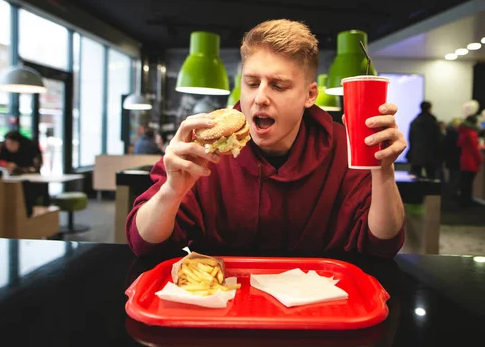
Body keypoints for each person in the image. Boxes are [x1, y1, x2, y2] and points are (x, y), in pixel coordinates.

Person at [126, 19, 407, 258]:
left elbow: (381, 247)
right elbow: (144, 245)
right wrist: (171, 192)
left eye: (278, 85)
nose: (260, 98)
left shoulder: (344, 145)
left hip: (321, 311)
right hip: (221, 306)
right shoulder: (202, 143)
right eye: (251, 83)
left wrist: (383, 170)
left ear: (310, 95)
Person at [407, 101, 442, 179]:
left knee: (415, 179)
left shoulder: (415, 122)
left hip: (417, 153)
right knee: (431, 179)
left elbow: (411, 138)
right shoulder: (433, 122)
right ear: (430, 108)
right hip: (431, 153)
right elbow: (438, 139)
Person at [458, 115, 483, 207]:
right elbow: (474, 149)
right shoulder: (472, 133)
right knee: (468, 183)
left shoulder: (462, 132)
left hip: (464, 159)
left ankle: (463, 201)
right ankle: (467, 202)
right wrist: (479, 160)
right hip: (471, 160)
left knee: (465, 182)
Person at [443, 119, 461, 199]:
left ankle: (450, 193)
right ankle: (454, 193)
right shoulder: (457, 135)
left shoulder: (447, 134)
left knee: (452, 176)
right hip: (456, 158)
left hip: (449, 158)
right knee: (456, 176)